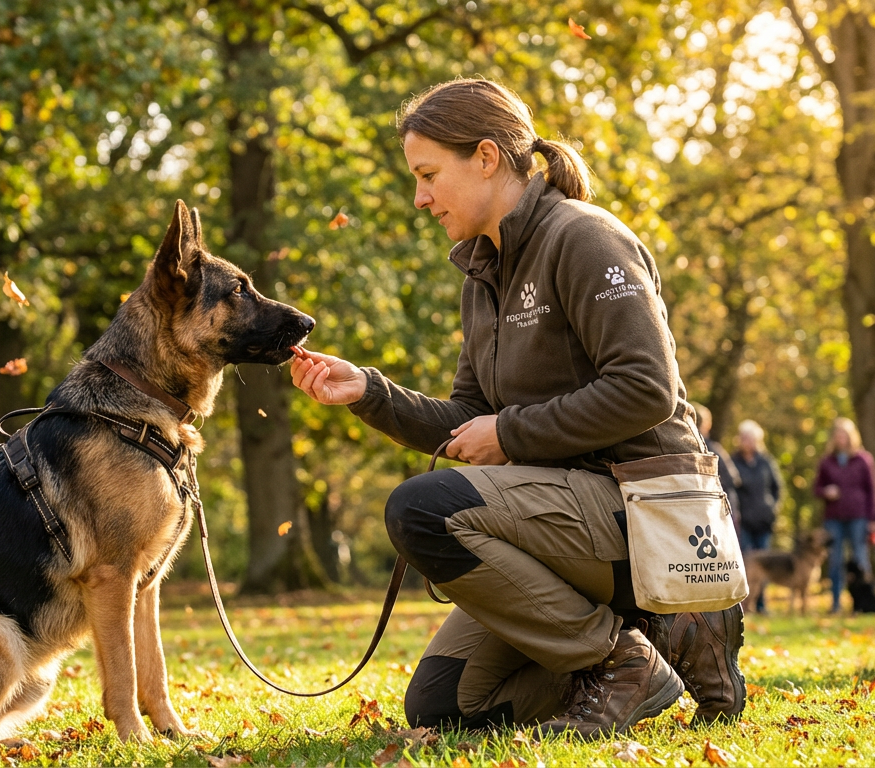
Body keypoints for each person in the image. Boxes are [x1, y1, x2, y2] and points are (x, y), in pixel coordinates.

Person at [288, 79, 744, 738]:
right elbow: (468, 420)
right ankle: (659, 642)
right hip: (559, 514)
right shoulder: (483, 276)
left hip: (642, 512)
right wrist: (370, 392)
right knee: (446, 706)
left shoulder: (585, 239)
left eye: (427, 175)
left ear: (485, 157)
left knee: (420, 510)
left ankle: (622, 660)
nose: (419, 198)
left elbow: (647, 388)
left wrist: (509, 432)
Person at [814, 417, 875, 612]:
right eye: (838, 435)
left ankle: (864, 602)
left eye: (845, 435)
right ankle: (835, 603)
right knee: (835, 560)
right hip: (834, 517)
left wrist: (872, 519)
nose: (841, 439)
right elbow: (816, 488)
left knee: (860, 559)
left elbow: (872, 490)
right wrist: (826, 492)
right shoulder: (826, 461)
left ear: (851, 437)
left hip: (858, 516)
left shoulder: (863, 460)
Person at [731, 419, 782, 612]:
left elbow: (777, 488)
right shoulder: (733, 461)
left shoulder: (766, 462)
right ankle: (742, 604)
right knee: (744, 564)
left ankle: (761, 604)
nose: (747, 441)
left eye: (750, 438)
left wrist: (773, 508)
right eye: (744, 437)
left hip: (764, 520)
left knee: (765, 567)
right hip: (744, 521)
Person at [692, 403, 742, 534]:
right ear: (706, 425)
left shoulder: (680, 449)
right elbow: (733, 479)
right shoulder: (713, 449)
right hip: (718, 510)